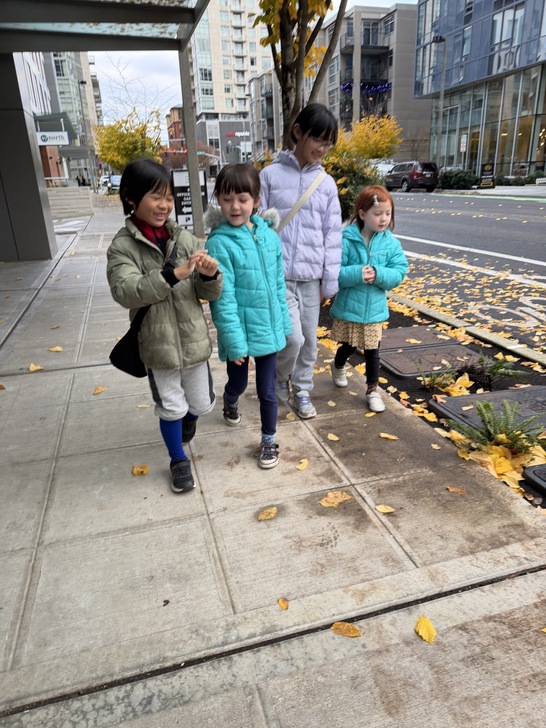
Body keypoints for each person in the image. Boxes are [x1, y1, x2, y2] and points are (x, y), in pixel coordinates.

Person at [106, 158, 223, 493]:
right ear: (130, 197)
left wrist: (211, 275)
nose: (164, 205)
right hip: (156, 346)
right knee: (171, 408)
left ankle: (188, 421)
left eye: (169, 197)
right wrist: (172, 275)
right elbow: (125, 291)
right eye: (155, 197)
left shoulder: (185, 239)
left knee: (200, 404)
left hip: (192, 340)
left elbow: (207, 292)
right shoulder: (122, 247)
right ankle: (177, 459)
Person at [204, 163, 291, 469]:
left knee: (267, 390)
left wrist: (283, 322)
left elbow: (278, 285)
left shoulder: (269, 237)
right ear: (218, 199)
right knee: (238, 383)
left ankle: (268, 439)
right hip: (239, 331)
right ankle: (230, 400)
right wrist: (234, 342)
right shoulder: (219, 242)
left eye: (243, 199)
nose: (235, 206)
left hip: (267, 328)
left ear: (256, 200)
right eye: (227, 199)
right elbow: (222, 299)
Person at [260, 103, 342, 419]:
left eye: (327, 143)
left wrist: (328, 280)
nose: (321, 148)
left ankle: (303, 390)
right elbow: (258, 226)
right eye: (317, 139)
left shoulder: (326, 184)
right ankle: (281, 378)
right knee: (291, 338)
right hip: (278, 275)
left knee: (309, 341)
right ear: (298, 132)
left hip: (311, 278)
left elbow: (332, 235)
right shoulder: (269, 176)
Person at [330, 185, 408, 412]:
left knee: (373, 351)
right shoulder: (346, 240)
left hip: (374, 309)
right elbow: (334, 271)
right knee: (348, 345)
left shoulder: (390, 243)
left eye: (388, 213)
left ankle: (372, 390)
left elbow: (399, 271)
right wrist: (357, 274)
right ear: (363, 214)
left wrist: (379, 275)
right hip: (350, 306)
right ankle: (338, 365)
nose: (383, 219)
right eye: (378, 213)